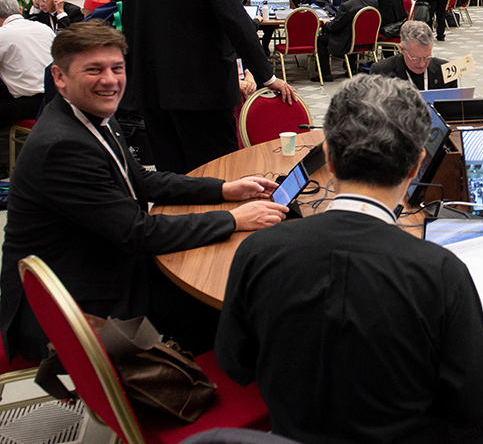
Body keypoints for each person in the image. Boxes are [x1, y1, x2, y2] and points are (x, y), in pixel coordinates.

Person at [216, 75, 483, 444]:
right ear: (416, 167)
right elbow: (471, 405)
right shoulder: (440, 271)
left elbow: (236, 365)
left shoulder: (257, 251)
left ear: (328, 157)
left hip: (292, 435)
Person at [0, 21, 288, 361]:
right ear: (59, 77)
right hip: (76, 303)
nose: (109, 80)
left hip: (102, 264)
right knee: (244, 303)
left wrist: (225, 188)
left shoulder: (85, 116)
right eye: (94, 70)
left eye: (116, 68)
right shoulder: (62, 146)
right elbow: (138, 233)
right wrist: (234, 219)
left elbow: (144, 181)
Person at [120, 0, 296, 174]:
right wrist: (268, 78)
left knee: (172, 172)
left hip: (152, 90)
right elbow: (237, 24)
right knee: (217, 172)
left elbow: (130, 29)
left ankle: (180, 216)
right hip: (203, 93)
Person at [0, 0, 53, 126]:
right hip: (55, 96)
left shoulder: (3, 34)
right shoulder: (44, 28)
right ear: (19, 10)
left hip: (28, 104)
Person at [314, 0, 378, 80]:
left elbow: (335, 27)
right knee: (351, 31)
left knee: (320, 40)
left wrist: (326, 23)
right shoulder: (373, 2)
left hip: (348, 41)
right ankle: (351, 69)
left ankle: (325, 74)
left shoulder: (347, 6)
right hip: (368, 40)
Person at [370, 20, 457, 90]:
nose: (422, 64)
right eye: (416, 58)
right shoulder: (381, 72)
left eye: (427, 57)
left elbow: (454, 108)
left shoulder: (445, 70)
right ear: (402, 49)